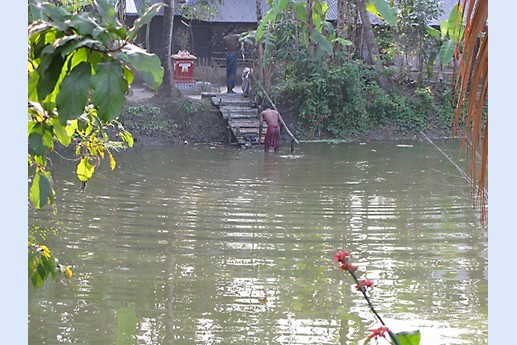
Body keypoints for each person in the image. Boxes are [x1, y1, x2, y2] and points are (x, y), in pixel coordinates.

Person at [222, 25, 241, 94]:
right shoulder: (236, 37)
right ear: (233, 30)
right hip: (233, 54)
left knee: (228, 71)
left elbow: (224, 47)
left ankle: (228, 88)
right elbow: (239, 45)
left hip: (227, 55)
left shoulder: (225, 38)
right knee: (233, 72)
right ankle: (230, 88)